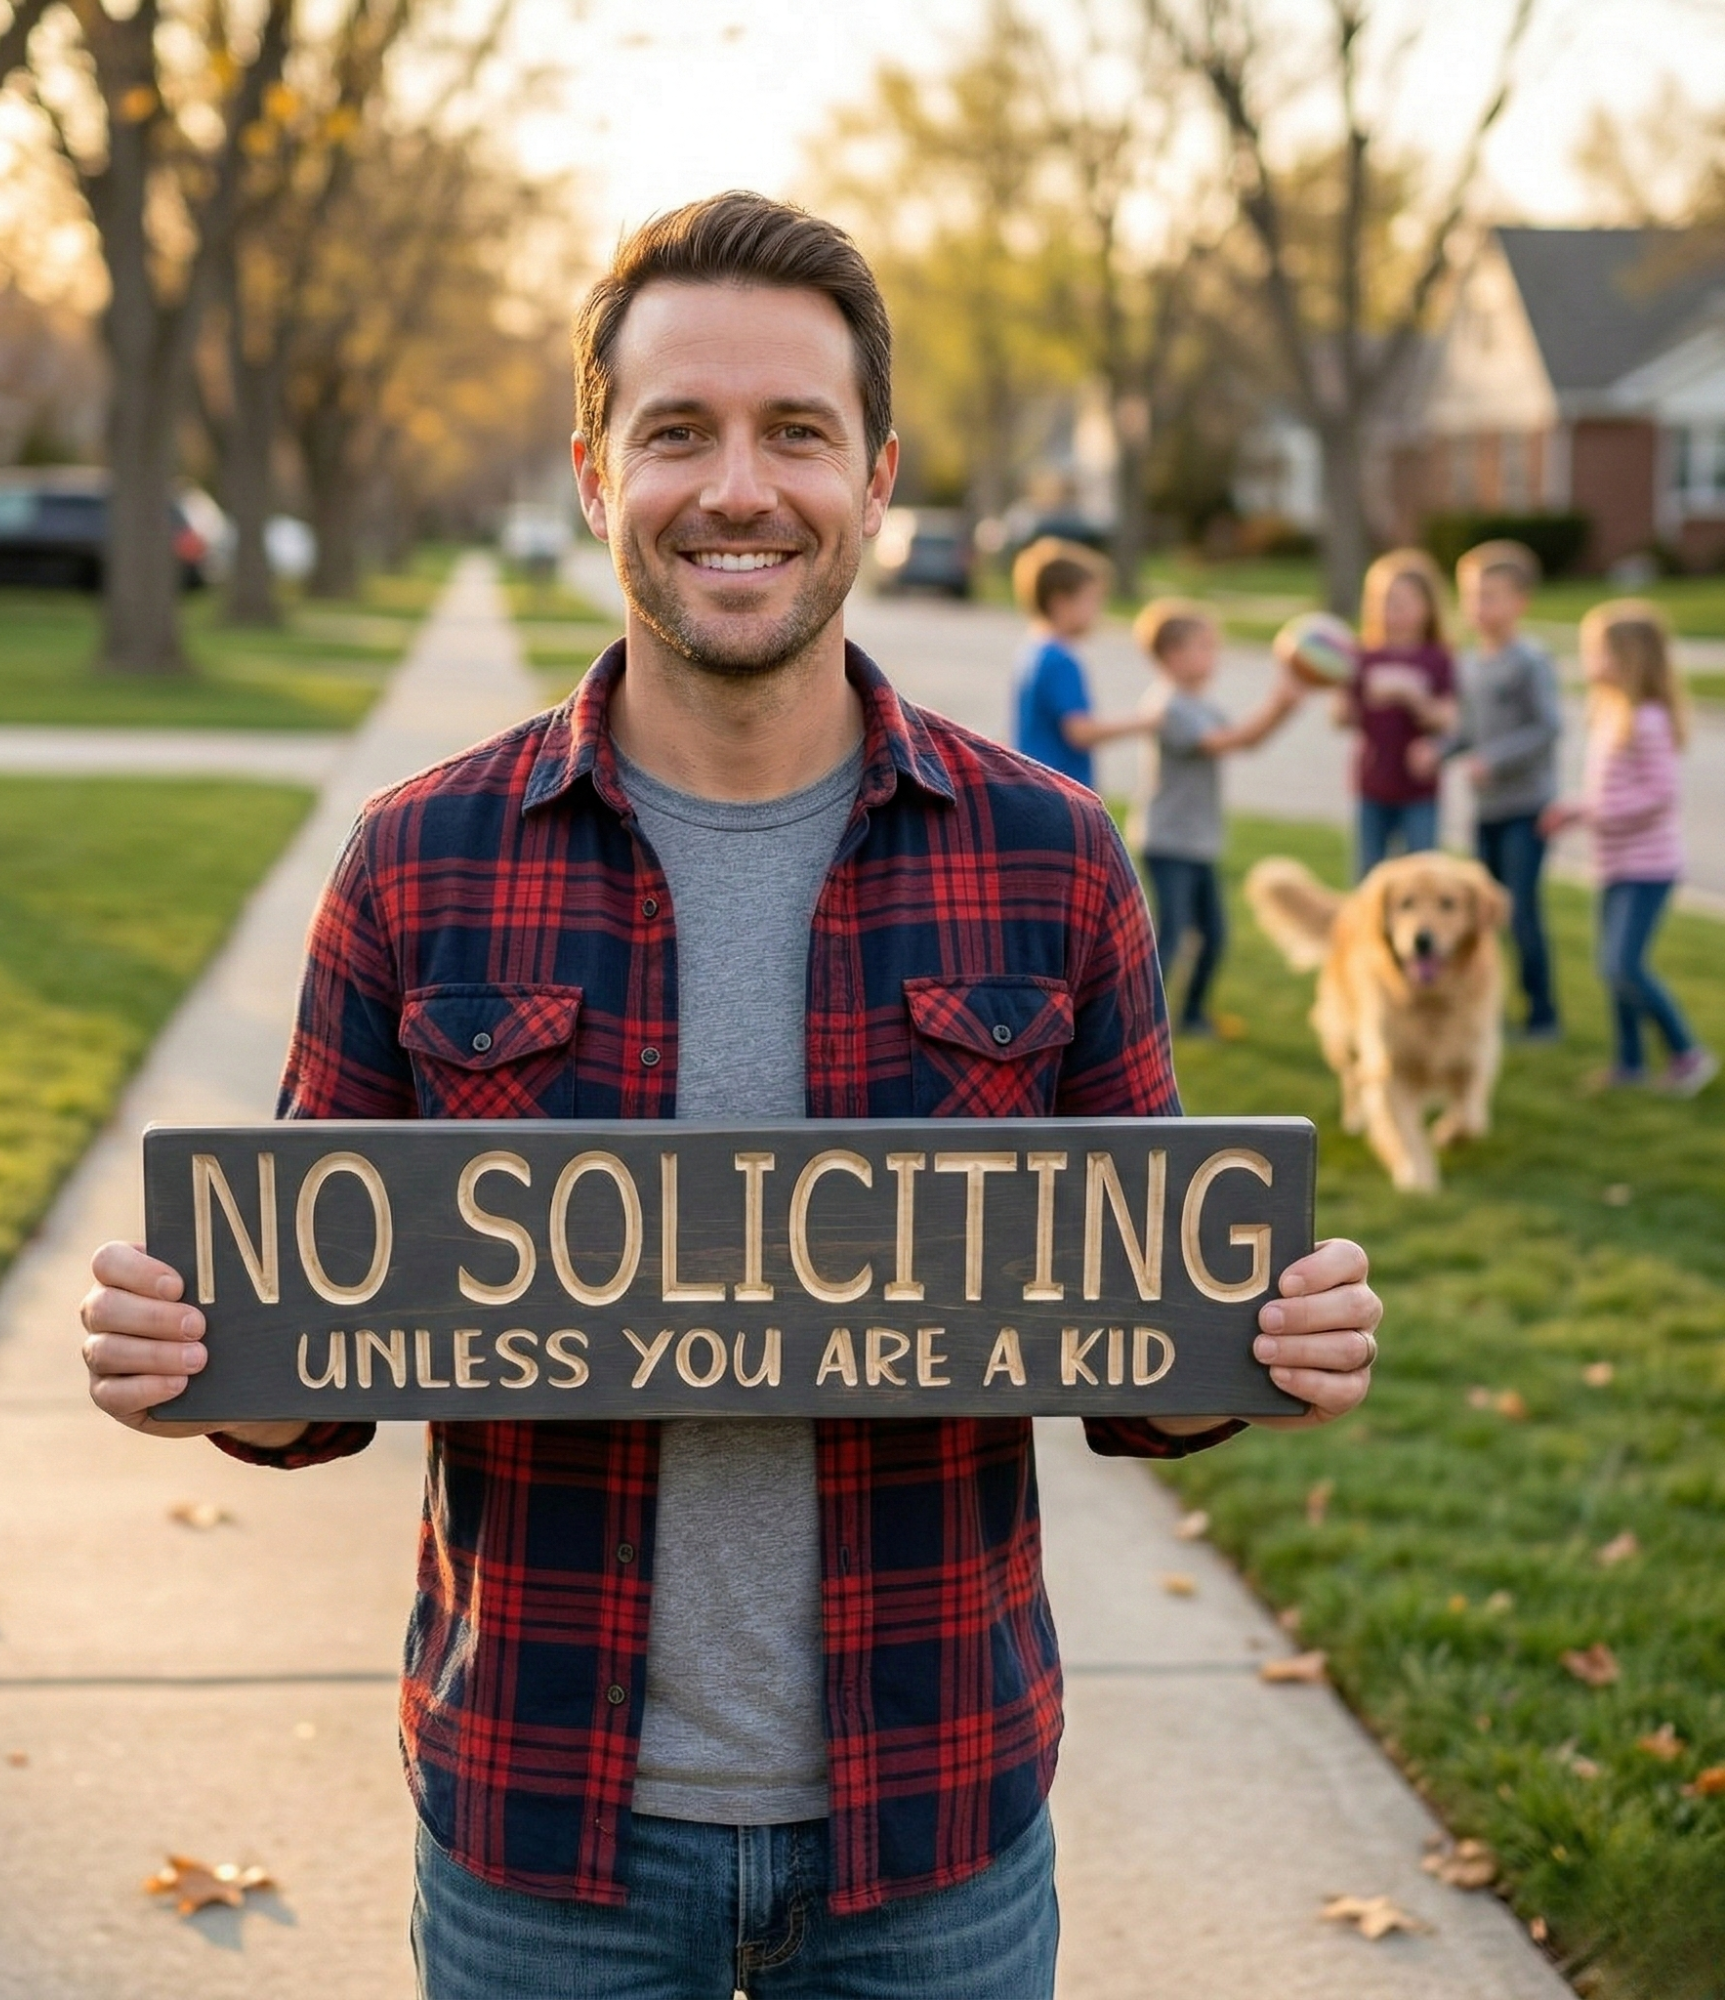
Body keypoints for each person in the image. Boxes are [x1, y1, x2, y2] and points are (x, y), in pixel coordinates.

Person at [78, 192, 1382, 2000]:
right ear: (599, 472)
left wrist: (1267, 1341)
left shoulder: (1051, 858)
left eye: (798, 433)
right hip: (543, 1834)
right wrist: (196, 1364)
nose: (740, 487)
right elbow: (319, 1357)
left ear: (876, 475)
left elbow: (1137, 1359)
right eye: (679, 430)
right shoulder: (420, 862)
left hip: (939, 1828)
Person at [1541, 601, 1717, 1096]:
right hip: (1615, 864)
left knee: (1624, 965)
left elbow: (1660, 795)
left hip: (1648, 867)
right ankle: (1630, 1064)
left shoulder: (1649, 720)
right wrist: (1579, 808)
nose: (1589, 661)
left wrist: (1592, 814)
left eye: (1598, 652)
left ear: (1629, 657)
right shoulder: (1612, 712)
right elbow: (1612, 793)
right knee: (1611, 968)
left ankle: (1688, 1053)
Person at [1128, 599, 1301, 1035]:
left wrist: (1282, 710)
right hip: (1168, 841)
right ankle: (1146, 1028)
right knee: (1172, 936)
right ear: (1172, 656)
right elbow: (1224, 743)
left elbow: (1246, 740)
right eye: (1203, 647)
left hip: (1198, 841)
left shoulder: (1200, 704)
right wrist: (1277, 704)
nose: (1213, 655)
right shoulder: (1170, 707)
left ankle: (1190, 1016)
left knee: (1215, 937)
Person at [1414, 540, 1563, 1038]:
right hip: (1485, 811)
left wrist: (1491, 760)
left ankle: (1542, 1015)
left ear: (1520, 601)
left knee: (1519, 912)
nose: (1479, 607)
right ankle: (1488, 1007)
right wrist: (1441, 749)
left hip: (1526, 809)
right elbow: (1469, 733)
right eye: (1472, 596)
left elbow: (1548, 727)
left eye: (1491, 596)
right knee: (1480, 919)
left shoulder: (1530, 661)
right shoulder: (1470, 662)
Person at [1338, 549, 1457, 877]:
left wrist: (1411, 697)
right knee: (1368, 875)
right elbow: (1343, 718)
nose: (1394, 610)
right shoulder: (1364, 658)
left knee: (1422, 875)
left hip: (1419, 788)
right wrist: (1336, 681)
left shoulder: (1437, 659)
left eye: (1405, 602)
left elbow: (1449, 719)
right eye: (1386, 601)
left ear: (1428, 607)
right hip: (1372, 784)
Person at [1011, 537, 1149, 792]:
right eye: (1092, 600)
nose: (1098, 609)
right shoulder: (1061, 660)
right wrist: (1144, 722)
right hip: (1060, 792)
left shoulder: (1033, 649)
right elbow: (1080, 732)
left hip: (1033, 786)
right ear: (1061, 602)